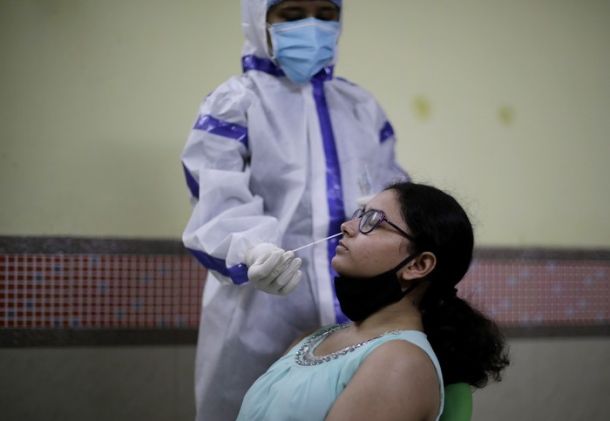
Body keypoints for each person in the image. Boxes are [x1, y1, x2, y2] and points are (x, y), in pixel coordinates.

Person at [180, 0, 407, 419]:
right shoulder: (234, 103)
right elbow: (215, 196)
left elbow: (398, 197)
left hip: (362, 316)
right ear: (259, 19)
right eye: (292, 14)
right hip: (259, 315)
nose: (312, 26)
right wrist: (252, 251)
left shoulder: (360, 107)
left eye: (326, 14)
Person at [237, 181, 510, 420]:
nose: (346, 226)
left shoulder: (401, 364)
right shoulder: (311, 338)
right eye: (359, 215)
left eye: (373, 221)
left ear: (418, 265)